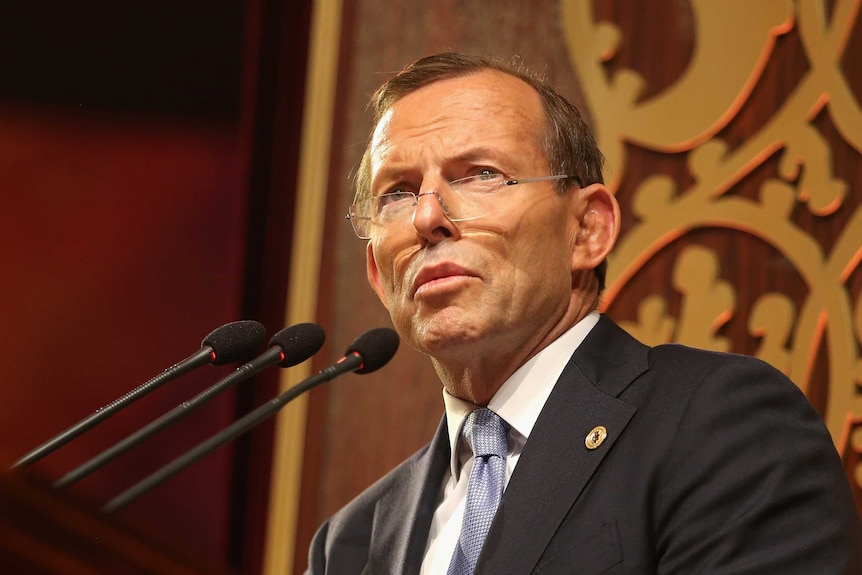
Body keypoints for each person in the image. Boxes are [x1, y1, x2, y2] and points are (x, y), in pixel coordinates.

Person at [306, 52, 861, 574]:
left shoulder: (721, 426)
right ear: (380, 275)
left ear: (587, 230)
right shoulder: (350, 544)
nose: (428, 216)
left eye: (479, 173)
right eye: (397, 194)